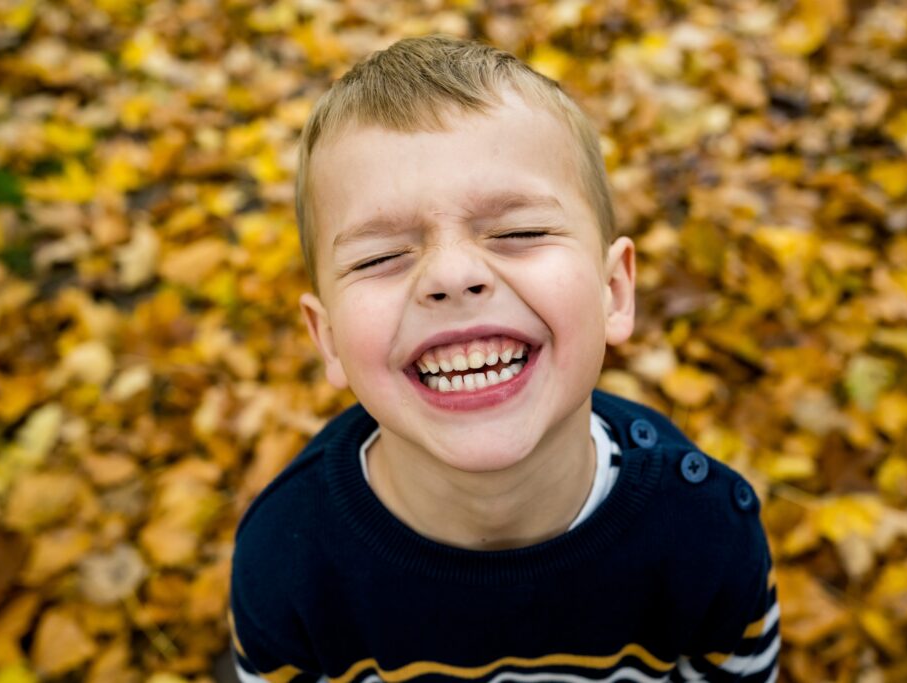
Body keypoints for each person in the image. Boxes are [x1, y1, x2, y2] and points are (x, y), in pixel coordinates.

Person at [229, 35, 780, 683]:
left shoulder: (707, 534)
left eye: (519, 232)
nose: (453, 274)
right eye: (379, 256)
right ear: (328, 341)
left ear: (614, 291)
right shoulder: (284, 561)